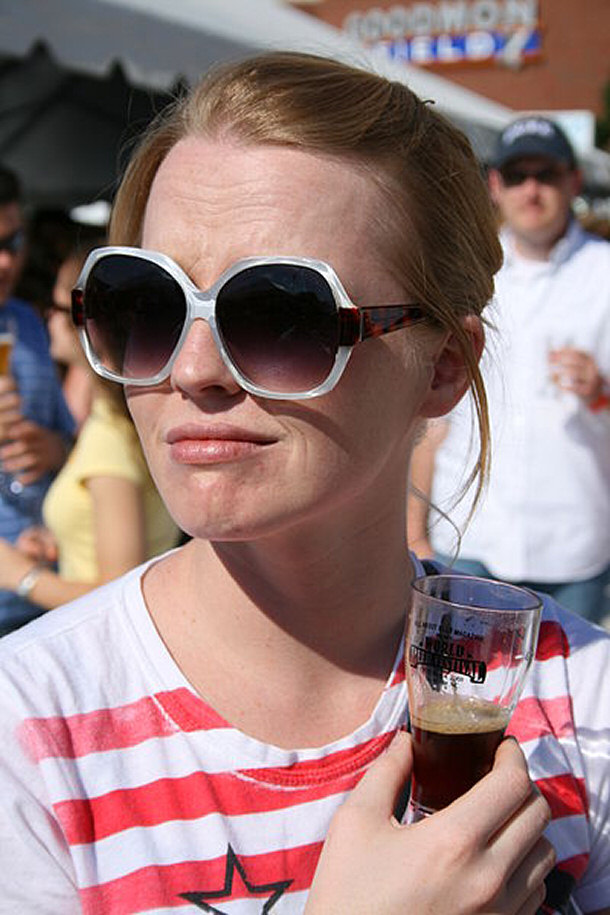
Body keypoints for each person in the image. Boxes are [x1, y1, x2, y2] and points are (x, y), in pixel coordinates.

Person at [0, 54, 608, 914]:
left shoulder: (581, 702)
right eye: (147, 303)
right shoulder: (29, 729)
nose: (193, 369)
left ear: (443, 363)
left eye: (282, 313)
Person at [410, 115, 610, 625]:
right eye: (518, 175)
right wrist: (413, 528)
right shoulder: (465, 273)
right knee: (457, 700)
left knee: (570, 704)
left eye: (546, 174)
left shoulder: (603, 273)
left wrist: (602, 391)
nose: (532, 189)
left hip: (572, 542)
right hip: (469, 535)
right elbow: (429, 414)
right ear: (495, 184)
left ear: (573, 181)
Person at [0, 242, 181, 611]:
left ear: (89, 327)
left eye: (57, 309)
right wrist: (57, 537)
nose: (46, 318)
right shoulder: (119, 419)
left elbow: (116, 599)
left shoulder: (109, 436)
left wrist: (21, 575)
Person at [0, 165, 75, 635]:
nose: (5, 263)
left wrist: (55, 448)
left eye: (11, 244)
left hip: (43, 597)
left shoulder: (28, 322)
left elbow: (70, 444)